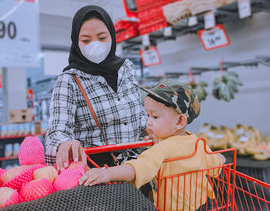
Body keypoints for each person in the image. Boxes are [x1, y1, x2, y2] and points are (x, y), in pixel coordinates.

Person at [80, 81, 224, 210]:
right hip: (201, 204)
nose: (148, 122)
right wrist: (220, 157)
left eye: (155, 117)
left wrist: (107, 173)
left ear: (180, 121)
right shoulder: (197, 142)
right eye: (147, 115)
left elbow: (139, 168)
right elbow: (215, 167)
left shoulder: (162, 149)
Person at [45, 5, 147, 171]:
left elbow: (140, 117)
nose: (95, 45)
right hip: (98, 174)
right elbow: (56, 132)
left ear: (112, 36)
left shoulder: (127, 68)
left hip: (138, 167)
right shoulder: (70, 80)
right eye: (86, 40)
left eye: (102, 37)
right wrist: (64, 144)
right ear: (76, 42)